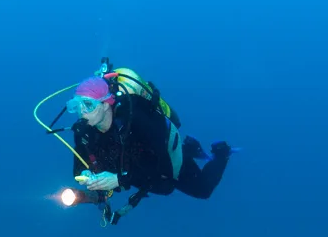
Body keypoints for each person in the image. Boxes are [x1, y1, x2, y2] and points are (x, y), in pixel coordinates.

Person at [68, 73, 234, 224]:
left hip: (164, 158)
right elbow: (80, 162)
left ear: (106, 104)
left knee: (203, 190)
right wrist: (84, 174)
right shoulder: (83, 132)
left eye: (88, 105)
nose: (81, 112)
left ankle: (221, 153)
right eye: (76, 106)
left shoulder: (138, 120)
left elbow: (163, 170)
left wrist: (120, 179)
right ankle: (190, 148)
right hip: (135, 171)